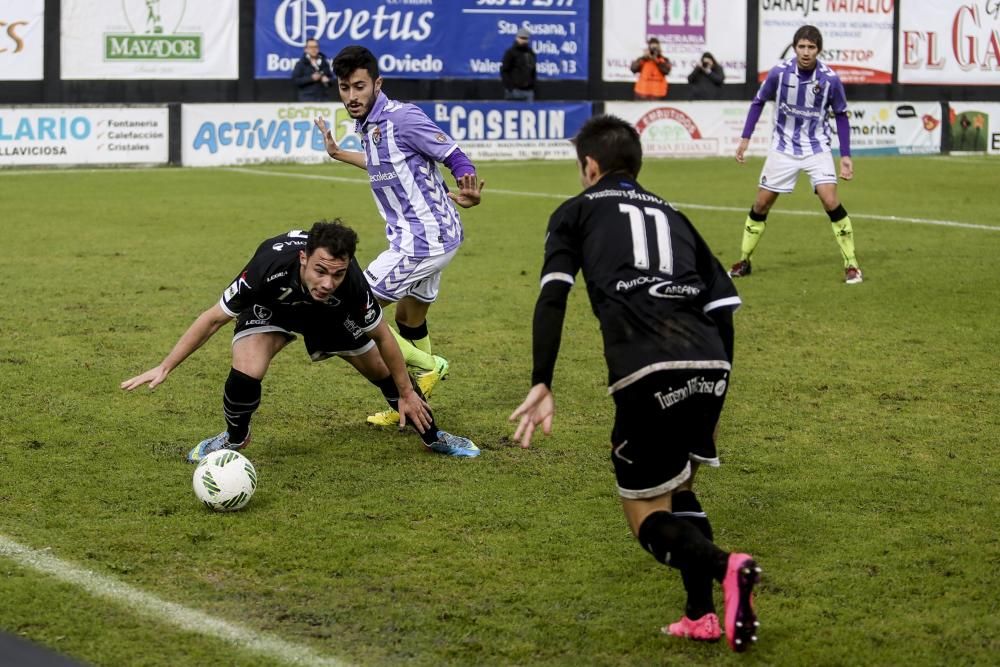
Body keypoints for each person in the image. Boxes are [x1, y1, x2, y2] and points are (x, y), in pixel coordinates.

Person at [509, 115, 761, 652]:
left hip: (647, 367)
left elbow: (554, 295)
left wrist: (541, 381)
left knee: (646, 516)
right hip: (711, 363)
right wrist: (715, 398)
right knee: (681, 486)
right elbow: (724, 307)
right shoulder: (676, 215)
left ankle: (728, 567)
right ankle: (701, 616)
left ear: (590, 166)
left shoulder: (575, 211)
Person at [120, 221, 480, 460]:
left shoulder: (350, 284)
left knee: (383, 369)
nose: (328, 281)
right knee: (247, 366)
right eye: (321, 271)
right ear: (304, 258)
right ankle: (234, 438)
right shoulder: (267, 269)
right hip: (275, 308)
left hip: (331, 316)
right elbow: (213, 318)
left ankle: (434, 436)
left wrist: (404, 392)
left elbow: (384, 336)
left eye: (337, 274)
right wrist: (166, 366)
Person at [314, 45, 485, 428]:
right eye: (345, 88)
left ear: (377, 83)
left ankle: (430, 365)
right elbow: (381, 163)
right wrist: (340, 153)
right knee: (410, 318)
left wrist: (467, 183)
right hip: (432, 235)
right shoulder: (369, 125)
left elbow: (453, 153)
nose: (352, 96)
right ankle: (414, 400)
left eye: (359, 86)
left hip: (423, 240)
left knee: (349, 310)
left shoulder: (402, 118)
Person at [730, 25, 862, 284]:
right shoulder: (779, 73)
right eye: (801, 46)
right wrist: (745, 138)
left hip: (817, 147)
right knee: (761, 204)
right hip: (783, 148)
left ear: (819, 50)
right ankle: (744, 260)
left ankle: (852, 264)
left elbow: (842, 116)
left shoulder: (830, 79)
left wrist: (845, 155)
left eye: (811, 47)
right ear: (794, 48)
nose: (805, 52)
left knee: (830, 200)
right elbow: (758, 102)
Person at [501, 28, 537, 102]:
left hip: (528, 91)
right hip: (514, 91)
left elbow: (533, 70)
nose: (523, 40)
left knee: (528, 111)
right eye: (521, 38)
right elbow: (504, 70)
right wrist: (510, 87)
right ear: (516, 38)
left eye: (525, 38)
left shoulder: (530, 53)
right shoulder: (510, 52)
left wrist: (532, 85)